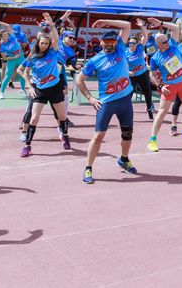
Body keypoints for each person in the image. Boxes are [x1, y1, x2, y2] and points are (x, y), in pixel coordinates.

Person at [76, 20, 138, 184]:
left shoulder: (120, 49)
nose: (110, 44)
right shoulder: (95, 60)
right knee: (98, 136)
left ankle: (124, 159)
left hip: (125, 100)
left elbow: (127, 26)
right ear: (101, 42)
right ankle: (88, 168)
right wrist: (90, 98)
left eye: (112, 41)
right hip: (106, 102)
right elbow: (79, 79)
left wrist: (105, 22)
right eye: (107, 41)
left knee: (127, 133)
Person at [20, 13, 71, 158]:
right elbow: (25, 72)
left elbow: (55, 37)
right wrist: (29, 86)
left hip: (55, 88)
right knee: (34, 118)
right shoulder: (32, 57)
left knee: (62, 116)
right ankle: (27, 146)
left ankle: (65, 135)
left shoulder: (53, 53)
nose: (44, 45)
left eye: (46, 44)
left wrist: (51, 24)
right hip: (39, 90)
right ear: (38, 43)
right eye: (42, 43)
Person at [146, 30, 182, 152]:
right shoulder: (155, 58)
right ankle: (152, 140)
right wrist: (160, 86)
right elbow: (152, 75)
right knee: (162, 113)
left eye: (167, 40)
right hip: (169, 87)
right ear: (158, 44)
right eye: (164, 42)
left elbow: (175, 29)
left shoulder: (173, 47)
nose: (167, 43)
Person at [127, 20, 155, 120]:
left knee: (147, 92)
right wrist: (128, 72)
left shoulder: (139, 48)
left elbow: (145, 36)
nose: (131, 45)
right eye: (130, 43)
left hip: (143, 73)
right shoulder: (126, 53)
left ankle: (149, 109)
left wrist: (142, 26)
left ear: (137, 43)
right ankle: (127, 111)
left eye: (133, 43)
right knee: (129, 93)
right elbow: (123, 66)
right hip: (132, 75)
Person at [0, 20, 27, 99]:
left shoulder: (12, 37)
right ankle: (1, 92)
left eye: (7, 34)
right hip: (12, 59)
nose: (7, 34)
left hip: (21, 56)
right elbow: (4, 58)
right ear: (2, 37)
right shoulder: (3, 47)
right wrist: (14, 57)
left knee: (22, 74)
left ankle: (23, 89)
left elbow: (7, 25)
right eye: (5, 34)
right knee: (7, 76)